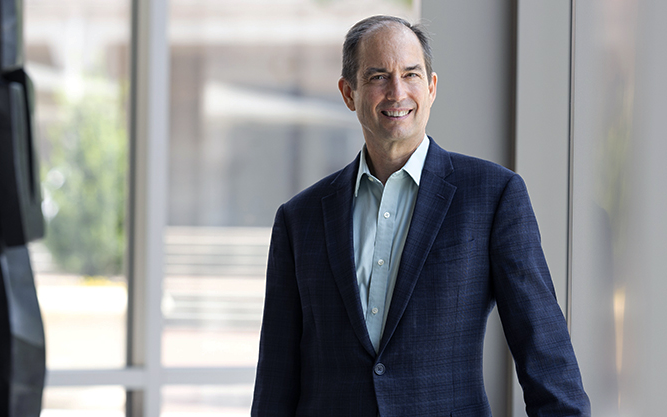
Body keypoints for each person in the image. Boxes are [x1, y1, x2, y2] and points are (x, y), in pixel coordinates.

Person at [251, 15, 590, 417]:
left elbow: (545, 352)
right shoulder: (299, 219)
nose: (397, 92)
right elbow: (276, 379)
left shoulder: (492, 195)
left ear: (431, 88)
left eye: (411, 74)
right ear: (348, 92)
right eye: (378, 76)